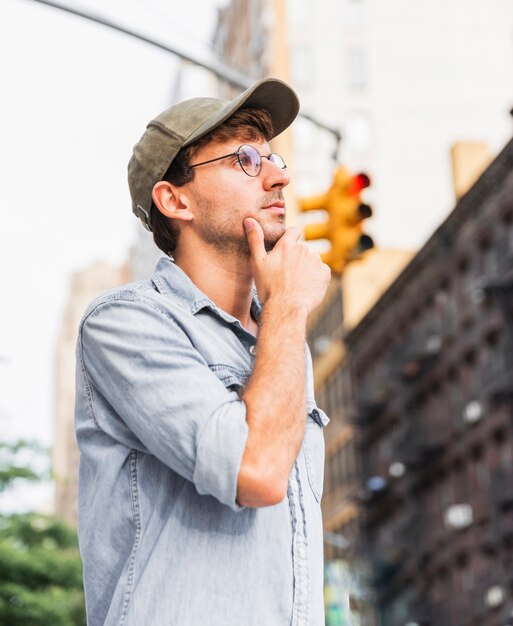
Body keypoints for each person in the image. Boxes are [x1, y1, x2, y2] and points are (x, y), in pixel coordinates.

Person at [75, 77, 331, 626]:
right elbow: (255, 471)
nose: (279, 175)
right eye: (243, 157)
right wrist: (287, 307)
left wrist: (282, 316)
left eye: (272, 156)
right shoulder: (125, 323)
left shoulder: (281, 342)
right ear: (175, 200)